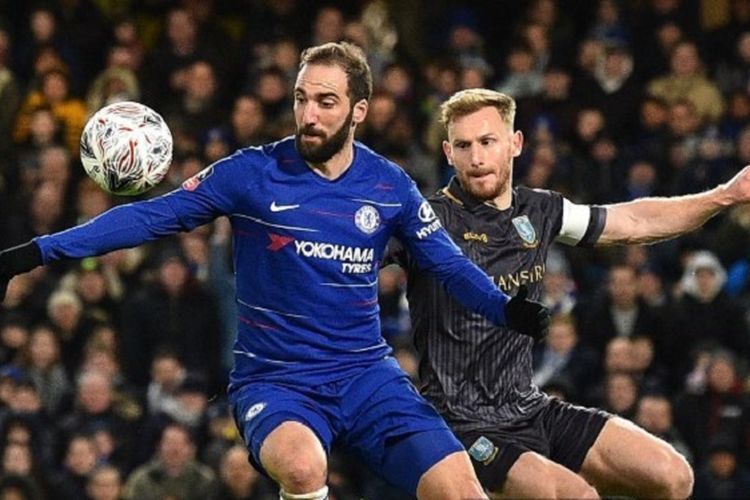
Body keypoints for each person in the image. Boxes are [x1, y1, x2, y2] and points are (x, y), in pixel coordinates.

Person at [0, 43, 549, 500]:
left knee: (462, 491)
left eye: (326, 102)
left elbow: (448, 264)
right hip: (277, 381)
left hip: (366, 376)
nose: (309, 115)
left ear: (359, 110)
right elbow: (153, 216)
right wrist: (34, 253)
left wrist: (506, 310)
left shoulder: (390, 187)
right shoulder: (252, 174)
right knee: (305, 468)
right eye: (301, 99)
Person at [388, 88, 750, 498]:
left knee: (672, 475)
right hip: (459, 425)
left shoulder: (541, 211)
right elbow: (353, 253)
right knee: (576, 496)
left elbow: (632, 221)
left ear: (515, 143)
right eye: (463, 145)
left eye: (487, 142)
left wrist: (727, 195)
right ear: (447, 153)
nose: (476, 157)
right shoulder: (426, 220)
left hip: (529, 408)